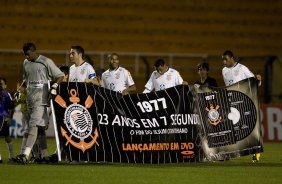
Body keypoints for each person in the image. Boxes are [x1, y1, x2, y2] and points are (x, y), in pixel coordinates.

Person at [15, 42, 64, 164]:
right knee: (40, 129)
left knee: (33, 125)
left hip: (41, 100)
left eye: (27, 54)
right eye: (24, 55)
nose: (26, 57)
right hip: (30, 99)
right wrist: (19, 91)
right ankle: (45, 156)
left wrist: (55, 86)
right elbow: (25, 81)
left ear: (33, 51)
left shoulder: (46, 61)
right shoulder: (26, 63)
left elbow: (60, 75)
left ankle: (25, 155)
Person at [221, 50, 262, 163]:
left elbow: (253, 81)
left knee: (249, 128)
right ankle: (228, 153)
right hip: (231, 103)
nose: (224, 62)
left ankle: (255, 153)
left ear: (232, 58)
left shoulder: (242, 68)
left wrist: (258, 80)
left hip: (244, 102)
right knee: (229, 128)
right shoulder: (224, 71)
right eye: (223, 59)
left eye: (226, 59)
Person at [0, 77, 16, 163]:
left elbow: (11, 106)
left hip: (3, 118)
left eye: (1, 84)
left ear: (5, 85)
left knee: (7, 137)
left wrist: (9, 117)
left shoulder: (6, 94)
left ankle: (12, 156)